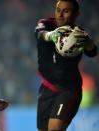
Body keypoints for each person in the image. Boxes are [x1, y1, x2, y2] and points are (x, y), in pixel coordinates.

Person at [34, 0, 97, 131]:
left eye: (66, 11)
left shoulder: (79, 34)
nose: (60, 15)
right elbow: (39, 34)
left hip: (68, 90)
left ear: (76, 14)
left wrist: (88, 42)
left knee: (54, 129)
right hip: (47, 87)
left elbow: (92, 52)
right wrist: (51, 35)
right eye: (58, 10)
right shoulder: (46, 24)